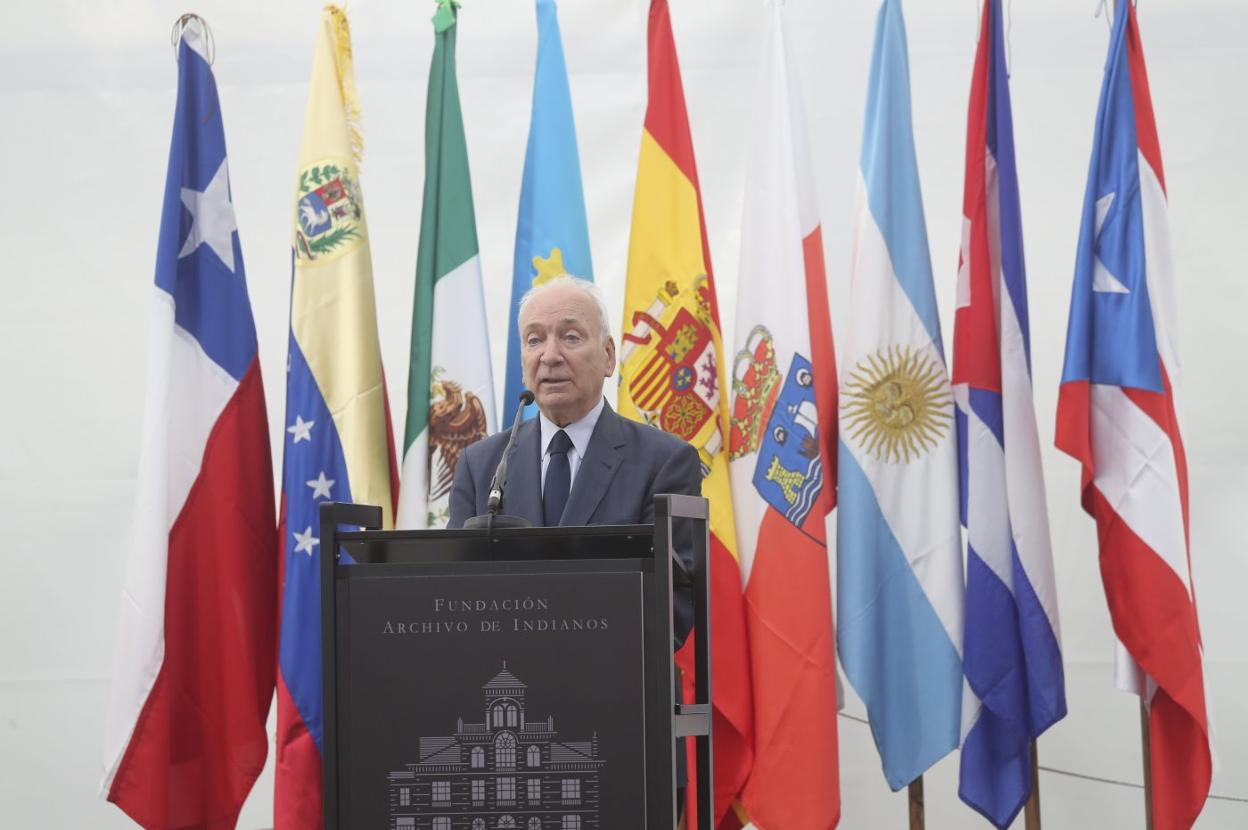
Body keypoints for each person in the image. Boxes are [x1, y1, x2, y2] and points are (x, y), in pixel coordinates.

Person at [448, 276, 701, 603]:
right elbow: (454, 592)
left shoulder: (665, 462)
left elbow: (673, 604)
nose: (549, 356)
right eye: (534, 340)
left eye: (570, 337)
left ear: (608, 356)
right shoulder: (480, 465)